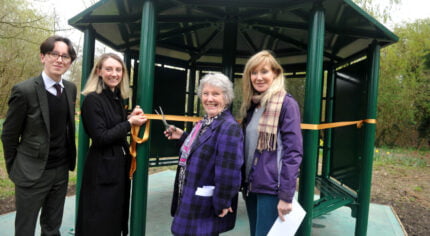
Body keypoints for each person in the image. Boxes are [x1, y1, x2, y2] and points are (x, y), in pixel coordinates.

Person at [1, 35, 77, 236]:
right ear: (43, 57)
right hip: (31, 173)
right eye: (54, 54)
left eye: (65, 56)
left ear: (70, 62)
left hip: (60, 171)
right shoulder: (24, 91)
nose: (60, 60)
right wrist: (15, 168)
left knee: (52, 228)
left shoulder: (70, 89)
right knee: (25, 229)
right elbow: (9, 135)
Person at [163, 72, 244, 236]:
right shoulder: (205, 122)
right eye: (206, 93)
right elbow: (204, 148)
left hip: (205, 205)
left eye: (216, 94)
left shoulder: (229, 127)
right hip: (189, 198)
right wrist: (183, 137)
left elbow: (229, 172)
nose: (209, 99)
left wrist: (222, 202)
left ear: (226, 98)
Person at [75, 53, 147, 235]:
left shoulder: (115, 98)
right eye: (108, 69)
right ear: (99, 71)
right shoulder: (92, 100)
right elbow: (101, 137)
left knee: (115, 217)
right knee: (100, 219)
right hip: (102, 170)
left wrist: (129, 117)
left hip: (117, 168)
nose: (114, 74)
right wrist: (129, 123)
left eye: (118, 69)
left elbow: (114, 125)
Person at [240, 50, 303, 236]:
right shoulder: (253, 105)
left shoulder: (286, 104)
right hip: (251, 184)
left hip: (271, 188)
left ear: (275, 73)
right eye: (253, 72)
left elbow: (293, 153)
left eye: (264, 71)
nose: (258, 77)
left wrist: (286, 195)